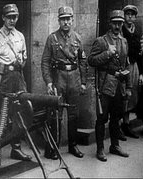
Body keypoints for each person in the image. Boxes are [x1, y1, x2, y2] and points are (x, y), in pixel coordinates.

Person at [0, 4, 32, 167]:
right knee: (1, 115)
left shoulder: (20, 36)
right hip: (3, 79)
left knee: (19, 112)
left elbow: (24, 59)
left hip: (18, 77)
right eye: (9, 17)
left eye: (15, 17)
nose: (12, 20)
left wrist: (20, 63)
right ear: (3, 18)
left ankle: (15, 148)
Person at [41, 6, 87, 159]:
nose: (66, 22)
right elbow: (45, 62)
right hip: (58, 79)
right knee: (56, 116)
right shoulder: (52, 38)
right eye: (63, 19)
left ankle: (73, 146)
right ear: (59, 20)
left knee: (73, 114)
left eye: (68, 19)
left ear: (72, 20)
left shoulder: (77, 38)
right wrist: (48, 82)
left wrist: (83, 82)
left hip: (74, 79)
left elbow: (82, 62)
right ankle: (53, 148)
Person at [88, 10, 132, 162]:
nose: (117, 26)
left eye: (120, 23)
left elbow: (126, 64)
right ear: (109, 23)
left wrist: (128, 87)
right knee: (101, 119)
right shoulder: (101, 41)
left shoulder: (124, 41)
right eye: (115, 23)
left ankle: (115, 145)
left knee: (116, 117)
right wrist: (107, 53)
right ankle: (100, 149)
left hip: (119, 85)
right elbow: (91, 60)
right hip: (105, 84)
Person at [120, 5, 143, 138]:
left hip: (135, 66)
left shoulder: (137, 31)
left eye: (132, 14)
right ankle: (119, 126)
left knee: (132, 94)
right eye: (127, 14)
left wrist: (141, 73)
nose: (130, 17)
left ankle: (126, 124)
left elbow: (140, 54)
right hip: (124, 67)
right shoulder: (121, 29)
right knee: (123, 95)